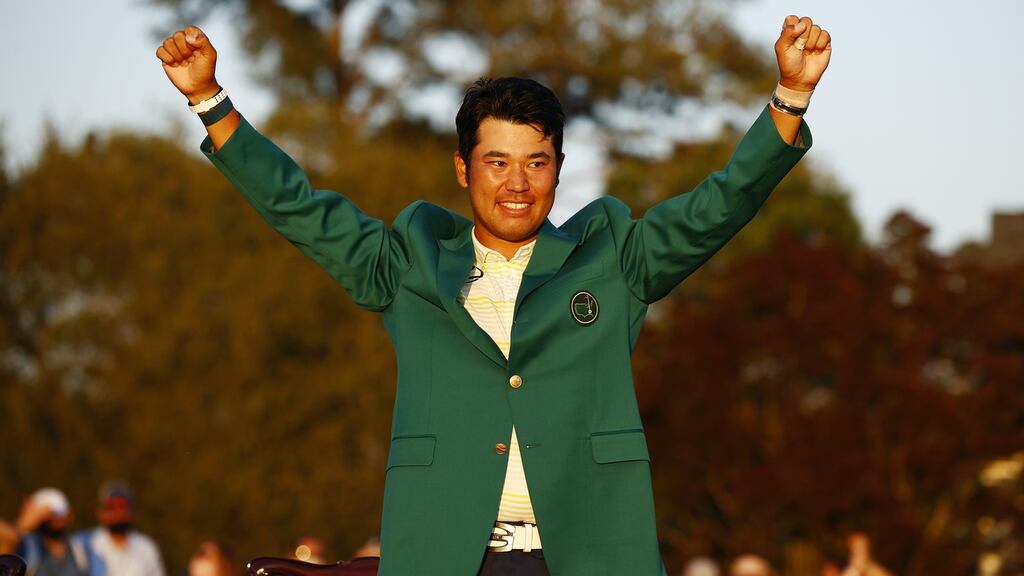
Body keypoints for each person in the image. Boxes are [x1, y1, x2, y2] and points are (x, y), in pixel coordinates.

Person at [155, 13, 831, 576]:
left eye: (537, 162)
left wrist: (790, 95)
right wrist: (210, 100)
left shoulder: (614, 258)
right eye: (497, 162)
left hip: (588, 553)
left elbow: (719, 206)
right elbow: (299, 208)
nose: (517, 183)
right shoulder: (408, 264)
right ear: (463, 168)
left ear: (559, 170)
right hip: (446, 555)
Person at [74, 481, 165, 576]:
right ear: (100, 512)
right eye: (112, 507)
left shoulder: (146, 547)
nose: (118, 512)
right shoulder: (84, 544)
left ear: (131, 511)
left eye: (122, 507)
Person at [0, 488, 88, 576]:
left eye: (58, 514)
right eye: (48, 515)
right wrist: (22, 526)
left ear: (69, 516)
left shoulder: (79, 549)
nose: (55, 521)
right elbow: (7, 543)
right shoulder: (27, 547)